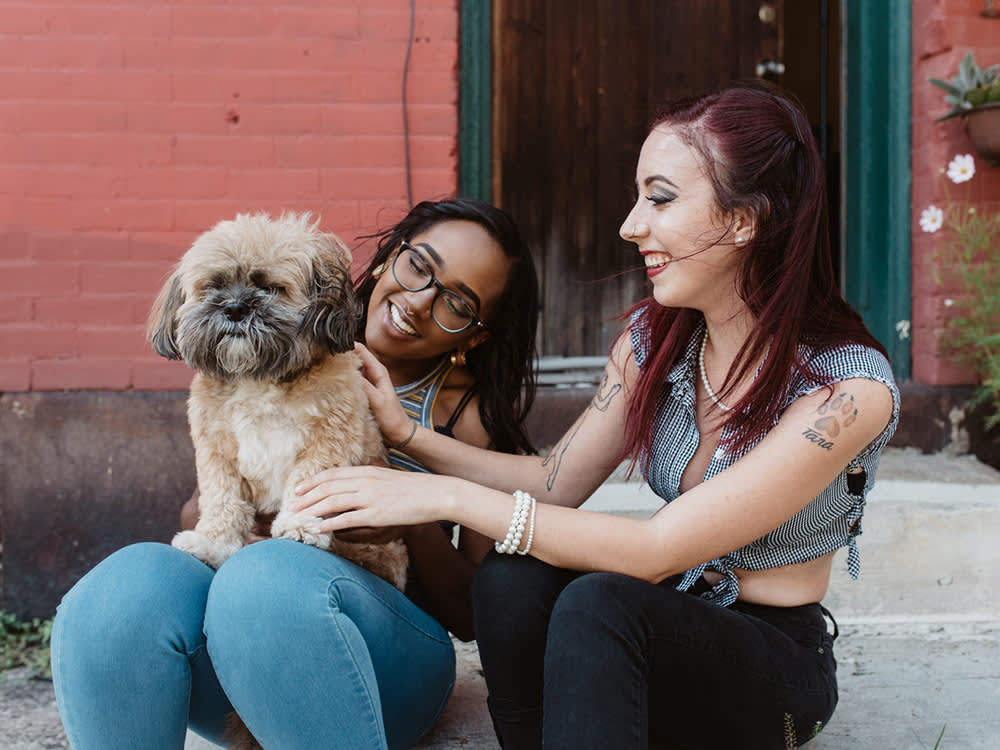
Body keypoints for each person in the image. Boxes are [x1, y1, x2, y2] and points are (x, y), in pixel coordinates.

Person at [292, 84, 900, 749]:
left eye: (660, 198)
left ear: (742, 220)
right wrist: (408, 434)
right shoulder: (654, 345)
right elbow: (555, 482)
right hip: (660, 625)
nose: (631, 225)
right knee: (513, 576)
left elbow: (654, 550)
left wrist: (438, 495)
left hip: (773, 671)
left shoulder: (846, 393)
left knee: (600, 602)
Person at [50, 198, 540, 750]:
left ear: (475, 334)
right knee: (123, 589)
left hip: (386, 659)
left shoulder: (464, 415)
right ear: (386, 262)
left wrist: (407, 509)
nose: (420, 301)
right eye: (419, 266)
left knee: (266, 579)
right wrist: (235, 515)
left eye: (456, 302)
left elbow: (470, 613)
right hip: (246, 632)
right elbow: (205, 514)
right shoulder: (251, 364)